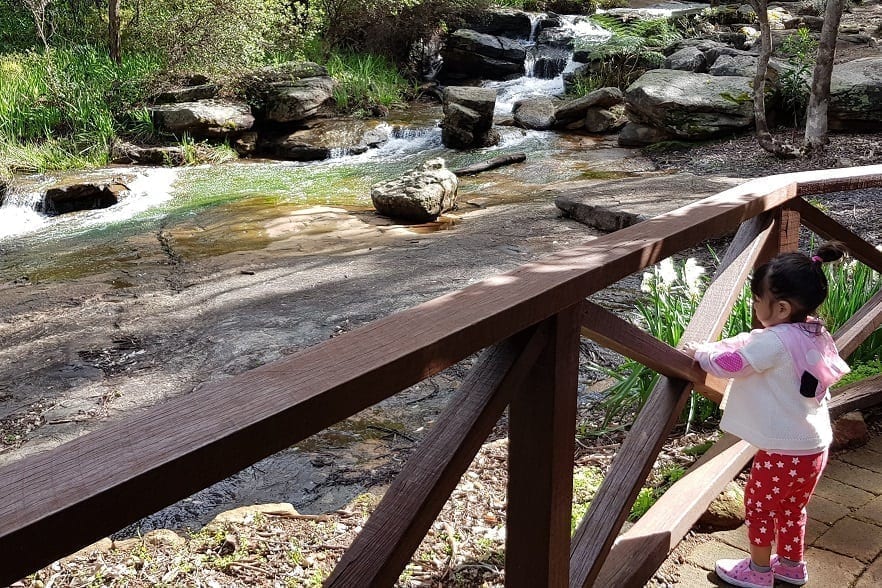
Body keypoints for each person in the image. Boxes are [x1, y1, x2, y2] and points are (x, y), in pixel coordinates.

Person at [684, 242, 851, 588]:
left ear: (781, 307)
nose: (753, 303)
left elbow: (734, 364)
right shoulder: (813, 332)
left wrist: (701, 353)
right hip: (814, 447)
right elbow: (756, 342)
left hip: (783, 450)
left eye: (757, 298)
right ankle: (791, 565)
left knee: (759, 506)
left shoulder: (774, 343)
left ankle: (758, 572)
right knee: (792, 508)